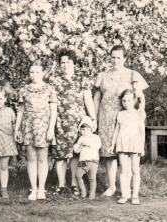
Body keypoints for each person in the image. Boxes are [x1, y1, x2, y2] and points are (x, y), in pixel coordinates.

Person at [93, 45, 148, 197]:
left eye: (119, 57)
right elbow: (97, 98)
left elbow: (140, 96)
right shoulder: (102, 75)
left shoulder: (132, 75)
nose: (115, 60)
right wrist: (94, 117)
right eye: (113, 57)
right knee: (109, 153)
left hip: (127, 120)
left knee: (127, 152)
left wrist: (140, 112)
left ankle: (129, 189)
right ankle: (111, 186)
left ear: (124, 58)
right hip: (106, 118)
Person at [48, 49, 97, 195]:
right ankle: (61, 185)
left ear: (74, 63)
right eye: (62, 62)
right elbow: (51, 102)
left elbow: (88, 100)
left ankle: (74, 183)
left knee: (76, 154)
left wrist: (93, 118)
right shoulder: (53, 80)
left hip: (78, 123)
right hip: (60, 121)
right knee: (60, 155)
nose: (65, 65)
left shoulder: (82, 78)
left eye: (68, 62)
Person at [14, 60, 57, 200]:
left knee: (42, 159)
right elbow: (20, 110)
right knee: (31, 159)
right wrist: (17, 129)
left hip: (43, 127)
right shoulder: (24, 89)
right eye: (32, 72)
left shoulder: (50, 89)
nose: (34, 75)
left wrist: (51, 129)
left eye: (37, 72)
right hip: (28, 127)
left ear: (43, 73)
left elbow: (53, 110)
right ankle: (33, 189)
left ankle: (41, 190)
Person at [108, 89, 145, 204]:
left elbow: (142, 131)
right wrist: (112, 145)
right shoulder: (120, 114)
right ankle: (125, 194)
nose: (126, 103)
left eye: (129, 100)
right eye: (124, 101)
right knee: (123, 170)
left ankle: (135, 196)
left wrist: (142, 147)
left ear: (134, 100)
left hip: (135, 143)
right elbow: (116, 130)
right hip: (122, 143)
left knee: (135, 170)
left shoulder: (139, 114)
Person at [74, 116, 101, 200]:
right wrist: (78, 146)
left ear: (91, 129)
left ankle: (92, 194)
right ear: (80, 130)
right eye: (83, 129)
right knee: (78, 175)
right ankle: (83, 191)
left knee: (92, 178)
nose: (85, 132)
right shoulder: (81, 138)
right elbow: (76, 150)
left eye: (87, 129)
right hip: (83, 161)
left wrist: (88, 144)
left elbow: (98, 146)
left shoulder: (95, 137)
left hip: (93, 161)